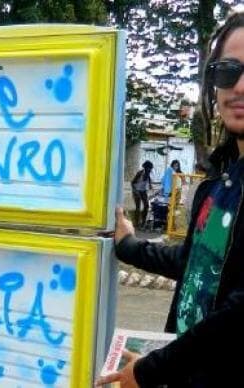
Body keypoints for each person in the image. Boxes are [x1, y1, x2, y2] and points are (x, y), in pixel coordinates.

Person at [96, 11, 244, 388]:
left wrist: (150, 370)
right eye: (228, 70)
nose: (239, 86)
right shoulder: (219, 180)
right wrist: (128, 246)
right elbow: (195, 263)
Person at [131, 160, 153, 228]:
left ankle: (143, 222)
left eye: (151, 168)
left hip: (143, 191)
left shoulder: (148, 174)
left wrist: (150, 185)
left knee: (146, 206)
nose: (150, 170)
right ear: (145, 168)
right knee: (138, 207)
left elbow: (149, 181)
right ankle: (136, 223)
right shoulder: (140, 173)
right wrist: (135, 192)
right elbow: (132, 183)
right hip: (136, 191)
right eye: (149, 168)